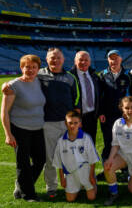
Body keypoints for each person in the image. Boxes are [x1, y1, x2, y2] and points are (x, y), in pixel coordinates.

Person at [1, 54, 46, 202]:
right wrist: (8, 134)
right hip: (19, 129)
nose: (31, 70)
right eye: (27, 67)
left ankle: (21, 184)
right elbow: (4, 112)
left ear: (38, 69)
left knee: (40, 159)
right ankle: (28, 195)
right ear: (21, 67)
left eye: (34, 67)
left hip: (38, 128)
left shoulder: (39, 81)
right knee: (23, 163)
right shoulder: (13, 86)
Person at [38, 47, 80, 198]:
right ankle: (51, 187)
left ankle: (72, 183)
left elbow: (76, 99)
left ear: (63, 60)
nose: (55, 60)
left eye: (58, 58)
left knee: (70, 155)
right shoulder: (39, 75)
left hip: (67, 124)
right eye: (52, 57)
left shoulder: (70, 78)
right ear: (46, 59)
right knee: (49, 158)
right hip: (47, 123)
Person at [103, 96, 132, 206]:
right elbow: (115, 145)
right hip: (122, 155)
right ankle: (114, 193)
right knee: (108, 167)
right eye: (127, 108)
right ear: (121, 108)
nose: (130, 110)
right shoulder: (118, 123)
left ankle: (131, 175)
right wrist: (110, 159)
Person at [98, 50, 132, 165]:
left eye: (116, 58)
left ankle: (124, 167)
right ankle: (107, 166)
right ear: (108, 60)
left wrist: (131, 114)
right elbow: (99, 96)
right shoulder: (102, 75)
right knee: (108, 141)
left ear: (121, 59)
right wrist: (101, 112)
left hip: (123, 116)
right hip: (107, 116)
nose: (113, 61)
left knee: (124, 140)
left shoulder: (127, 75)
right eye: (111, 58)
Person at [52, 111, 99, 202]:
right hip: (71, 174)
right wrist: (62, 178)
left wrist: (91, 176)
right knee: (70, 199)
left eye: (75, 123)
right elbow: (59, 162)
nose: (72, 126)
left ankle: (92, 184)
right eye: (70, 123)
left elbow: (92, 160)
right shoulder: (61, 141)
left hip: (85, 171)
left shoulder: (86, 138)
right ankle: (78, 186)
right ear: (66, 123)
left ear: (80, 124)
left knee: (91, 197)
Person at [70, 51, 101, 143]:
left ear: (90, 62)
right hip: (78, 116)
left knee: (91, 143)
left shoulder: (94, 76)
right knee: (77, 144)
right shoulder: (70, 77)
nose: (83, 62)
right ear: (75, 61)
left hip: (92, 116)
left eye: (86, 60)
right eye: (80, 60)